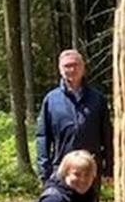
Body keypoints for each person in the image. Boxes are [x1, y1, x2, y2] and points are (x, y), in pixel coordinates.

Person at [36, 49, 113, 185]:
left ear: (83, 68)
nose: (72, 69)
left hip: (90, 170)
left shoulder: (97, 99)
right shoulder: (51, 99)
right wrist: (44, 170)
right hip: (61, 169)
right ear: (60, 69)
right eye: (67, 66)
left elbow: (107, 135)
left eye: (76, 65)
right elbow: (43, 137)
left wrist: (109, 168)